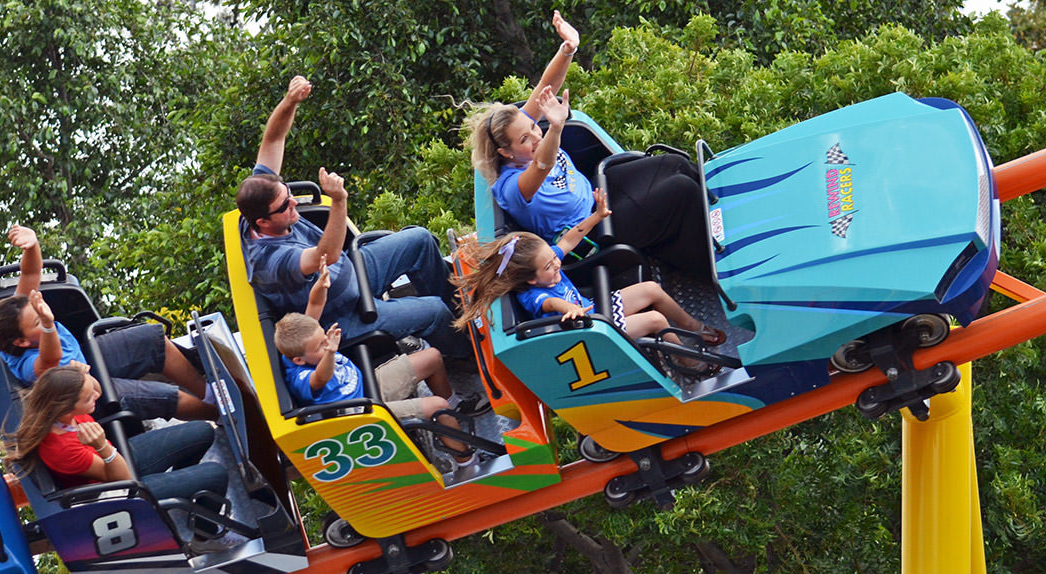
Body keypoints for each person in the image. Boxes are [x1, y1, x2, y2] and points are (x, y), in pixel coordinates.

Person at [235, 76, 469, 358]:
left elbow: (273, 138)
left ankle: (465, 314)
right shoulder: (270, 261)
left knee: (419, 239)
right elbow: (328, 254)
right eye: (285, 205)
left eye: (288, 193)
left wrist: (290, 101)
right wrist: (338, 199)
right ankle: (465, 355)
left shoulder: (261, 197)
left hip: (353, 271)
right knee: (433, 310)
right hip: (342, 313)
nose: (294, 202)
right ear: (262, 222)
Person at [466, 12, 711, 276]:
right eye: (525, 139)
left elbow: (547, 86)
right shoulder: (511, 188)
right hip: (591, 233)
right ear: (505, 152)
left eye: (535, 127)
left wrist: (568, 48)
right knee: (681, 190)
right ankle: (709, 268)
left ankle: (717, 219)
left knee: (674, 164)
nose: (536, 137)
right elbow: (542, 164)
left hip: (598, 192)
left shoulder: (525, 129)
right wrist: (555, 127)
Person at [454, 190, 724, 374]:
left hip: (596, 310)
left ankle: (692, 326)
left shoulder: (548, 265)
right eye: (549, 265)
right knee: (655, 320)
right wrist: (567, 310)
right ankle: (689, 361)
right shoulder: (533, 295)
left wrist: (597, 215)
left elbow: (569, 240)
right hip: (597, 331)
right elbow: (550, 304)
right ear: (533, 279)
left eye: (553, 258)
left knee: (652, 289)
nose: (557, 263)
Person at [0, 225, 221, 422]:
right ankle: (219, 415)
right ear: (22, 341)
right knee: (166, 396)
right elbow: (50, 359)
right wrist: (47, 324)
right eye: (37, 319)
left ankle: (210, 395)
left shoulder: (22, 311)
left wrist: (32, 245)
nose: (42, 311)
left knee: (151, 338)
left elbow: (30, 274)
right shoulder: (26, 365)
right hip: (84, 392)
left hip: (86, 357)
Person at [274, 262, 484, 470]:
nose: (325, 342)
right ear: (299, 361)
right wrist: (329, 351)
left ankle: (454, 407)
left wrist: (321, 285)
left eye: (323, 338)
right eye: (320, 345)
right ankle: (469, 464)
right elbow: (320, 378)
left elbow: (315, 305)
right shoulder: (300, 377)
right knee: (437, 407)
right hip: (364, 413)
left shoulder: (304, 342)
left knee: (432, 357)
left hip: (367, 385)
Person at [4, 365, 229, 503]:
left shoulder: (60, 413)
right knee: (216, 474)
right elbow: (125, 481)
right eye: (87, 397)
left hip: (115, 458)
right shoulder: (63, 449)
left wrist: (82, 375)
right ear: (66, 408)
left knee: (201, 431)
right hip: (116, 489)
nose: (96, 394)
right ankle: (205, 534)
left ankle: (187, 492)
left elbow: (95, 389)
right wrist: (102, 446)